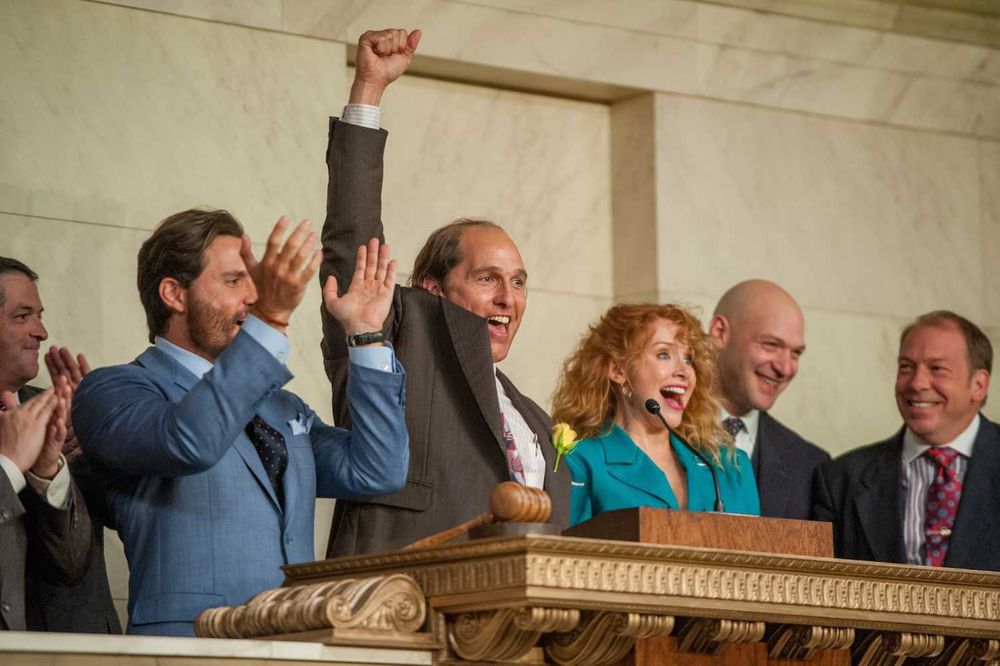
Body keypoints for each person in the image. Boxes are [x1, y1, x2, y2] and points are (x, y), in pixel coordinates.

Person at [74, 209, 409, 636]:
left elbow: (376, 470)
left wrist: (365, 334)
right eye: (234, 281)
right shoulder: (113, 390)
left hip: (294, 644)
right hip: (190, 648)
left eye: (254, 282)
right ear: (174, 294)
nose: (253, 297)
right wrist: (270, 320)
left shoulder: (281, 407)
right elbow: (189, 442)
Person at [321, 28, 570, 555]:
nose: (508, 299)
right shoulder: (400, 343)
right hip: (396, 593)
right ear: (433, 290)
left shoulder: (535, 420)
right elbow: (353, 242)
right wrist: (368, 93)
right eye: (487, 278)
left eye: (518, 282)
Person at [812, 311, 999, 571]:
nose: (917, 383)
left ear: (978, 385)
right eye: (906, 367)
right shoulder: (840, 480)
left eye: (937, 369)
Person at [551, 303, 759, 526]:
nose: (684, 371)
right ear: (618, 370)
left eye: (688, 358)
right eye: (664, 354)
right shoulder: (580, 462)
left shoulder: (731, 467)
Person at [0, 257, 121, 633]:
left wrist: (97, 439)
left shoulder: (61, 414)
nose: (41, 331)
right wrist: (11, 462)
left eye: (39, 316)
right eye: (22, 316)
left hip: (80, 641)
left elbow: (115, 518)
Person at [708, 280, 829, 520]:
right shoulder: (652, 432)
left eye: (796, 353)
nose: (785, 368)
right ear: (720, 333)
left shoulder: (811, 467)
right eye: (771, 345)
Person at [0, 377, 91, 631]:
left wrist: (47, 472)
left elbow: (70, 564)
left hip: (38, 643)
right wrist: (9, 467)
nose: (43, 334)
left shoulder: (53, 418)